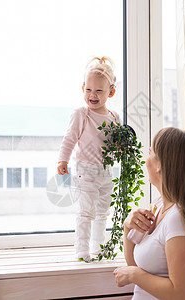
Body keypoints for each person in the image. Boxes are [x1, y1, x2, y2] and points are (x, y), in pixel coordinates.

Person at [113, 127, 185, 299]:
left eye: (150, 152)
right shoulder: (159, 205)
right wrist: (127, 227)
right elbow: (135, 264)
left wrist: (134, 275)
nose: (146, 160)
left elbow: (183, 294)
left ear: (159, 165)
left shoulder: (179, 219)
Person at [57, 56, 120, 261]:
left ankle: (99, 246)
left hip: (107, 172)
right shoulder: (82, 114)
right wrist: (63, 160)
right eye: (89, 90)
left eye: (99, 91)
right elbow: (69, 139)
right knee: (86, 212)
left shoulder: (114, 117)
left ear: (110, 92)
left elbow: (116, 144)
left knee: (103, 212)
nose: (93, 95)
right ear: (83, 88)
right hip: (87, 171)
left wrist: (122, 149)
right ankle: (81, 248)